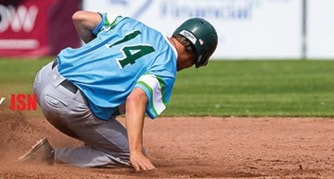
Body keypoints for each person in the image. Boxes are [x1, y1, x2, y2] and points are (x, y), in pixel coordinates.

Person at [18, 11, 218, 170]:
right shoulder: (165, 65)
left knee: (100, 121)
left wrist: (101, 54)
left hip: (44, 77)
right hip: (66, 104)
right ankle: (49, 156)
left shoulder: (134, 26)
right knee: (124, 155)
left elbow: (80, 17)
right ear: (193, 55)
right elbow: (135, 100)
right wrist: (136, 151)